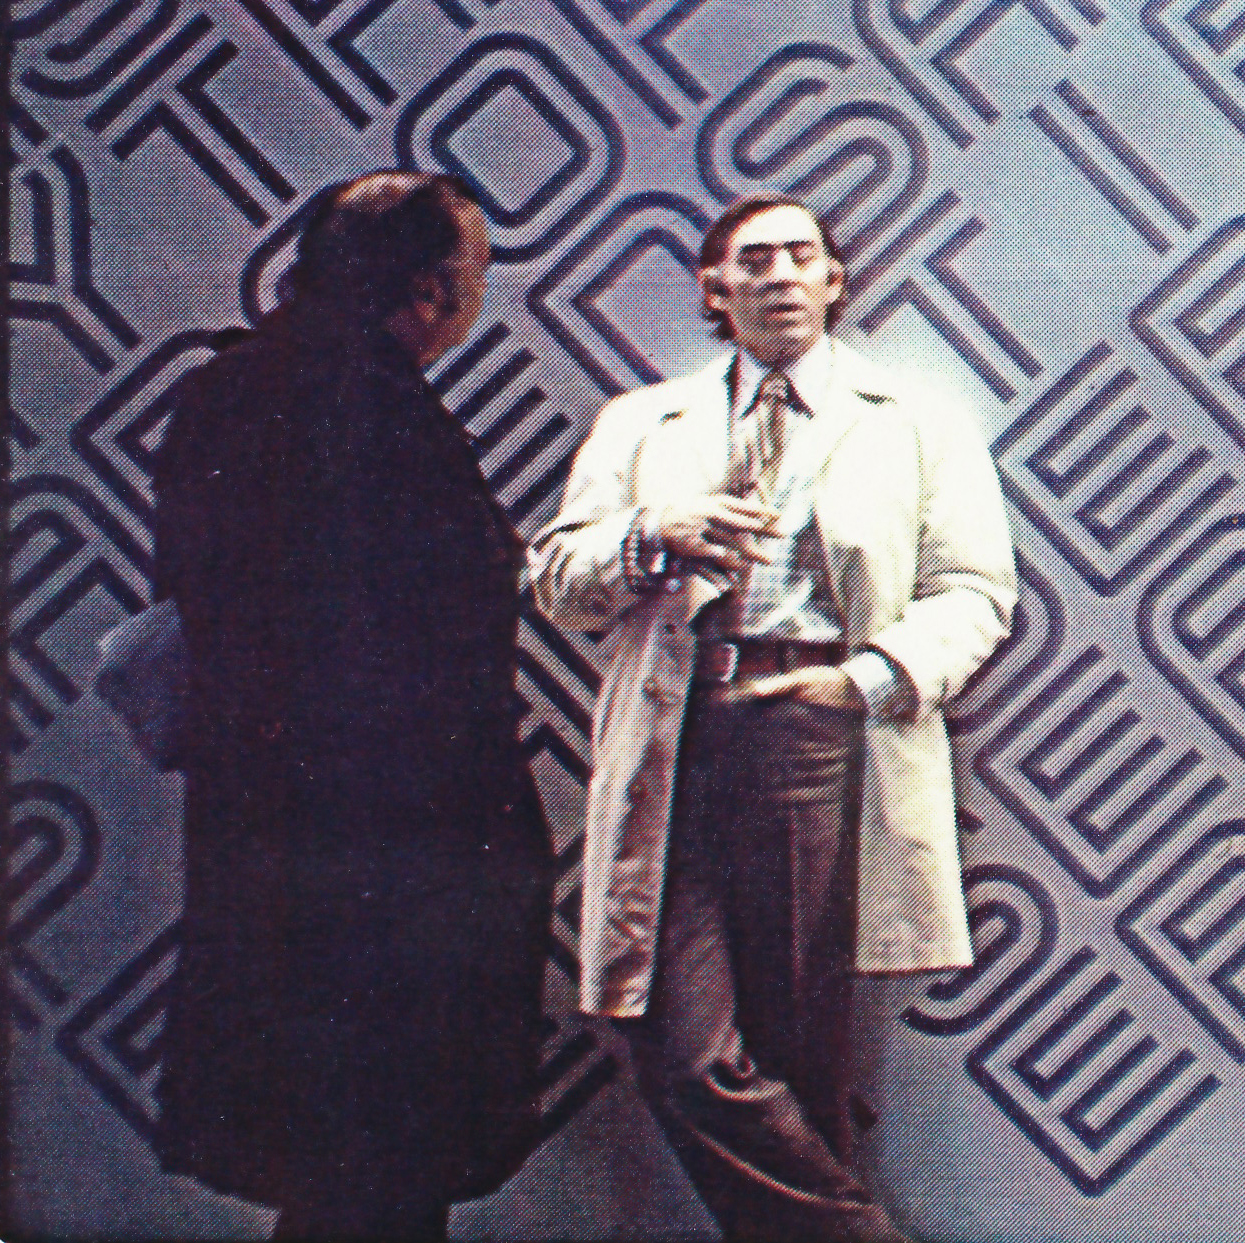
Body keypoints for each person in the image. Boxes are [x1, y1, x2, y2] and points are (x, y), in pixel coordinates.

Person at [528, 193, 1016, 1242]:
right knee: (675, 1038)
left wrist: (863, 682)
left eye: (805, 255)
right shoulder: (641, 422)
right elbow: (559, 583)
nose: (783, 274)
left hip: (822, 728)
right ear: (716, 288)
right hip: (681, 724)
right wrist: (649, 536)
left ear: (836, 281)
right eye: (755, 260)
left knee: (806, 1048)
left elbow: (977, 592)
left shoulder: (914, 421)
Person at [153, 172, 553, 1241]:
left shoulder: (221, 389)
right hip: (391, 868)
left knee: (331, 1174)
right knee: (383, 1168)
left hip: (264, 838)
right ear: (430, 289)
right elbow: (422, 650)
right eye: (472, 274)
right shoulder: (379, 408)